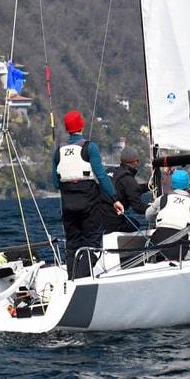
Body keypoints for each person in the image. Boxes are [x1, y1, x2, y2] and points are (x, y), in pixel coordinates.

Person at [53, 109, 123, 278]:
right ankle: (80, 278)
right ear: (81, 126)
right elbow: (101, 175)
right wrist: (114, 199)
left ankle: (72, 279)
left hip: (68, 204)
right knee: (93, 243)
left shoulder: (58, 151)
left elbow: (56, 183)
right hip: (88, 201)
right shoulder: (89, 147)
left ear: (67, 128)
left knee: (73, 245)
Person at [144, 169, 190, 261]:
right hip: (179, 251)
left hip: (156, 249)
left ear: (172, 184)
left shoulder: (162, 199)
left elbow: (148, 216)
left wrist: (156, 209)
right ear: (188, 185)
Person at [101, 146, 149, 234]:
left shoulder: (110, 171)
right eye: (137, 161)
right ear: (135, 161)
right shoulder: (128, 179)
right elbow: (138, 208)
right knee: (135, 223)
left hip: (99, 220)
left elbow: (126, 189)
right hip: (114, 223)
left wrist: (147, 187)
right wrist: (154, 209)